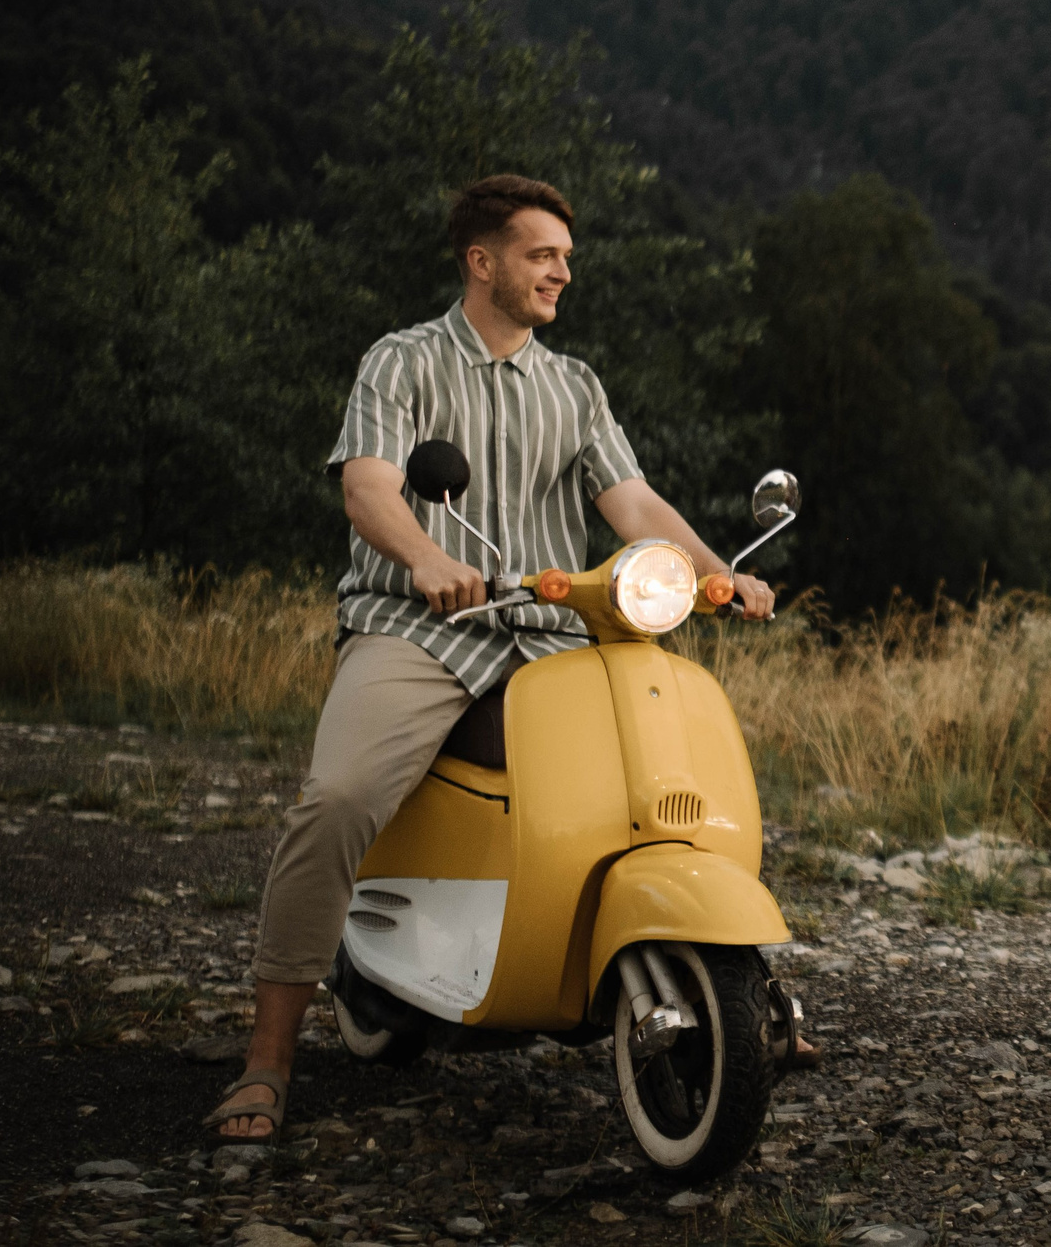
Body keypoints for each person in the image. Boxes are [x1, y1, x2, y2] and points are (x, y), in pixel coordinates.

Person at [206, 174, 776, 1143]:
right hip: (419, 629)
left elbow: (632, 506)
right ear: (482, 261)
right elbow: (369, 486)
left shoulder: (574, 384)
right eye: (540, 254)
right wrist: (428, 560)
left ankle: (739, 987)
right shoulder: (403, 361)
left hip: (551, 636)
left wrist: (720, 572)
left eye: (565, 257)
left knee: (664, 764)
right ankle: (268, 1058)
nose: (561, 271)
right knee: (339, 798)